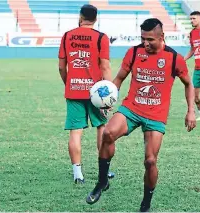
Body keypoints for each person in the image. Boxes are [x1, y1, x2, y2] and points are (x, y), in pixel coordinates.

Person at [86, 18, 196, 212]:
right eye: (143, 38)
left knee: (150, 160)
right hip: (132, 108)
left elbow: (188, 84)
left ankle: (146, 203)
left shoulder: (174, 58)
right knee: (108, 134)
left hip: (156, 115)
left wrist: (191, 111)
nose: (146, 43)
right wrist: (107, 99)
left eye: (150, 40)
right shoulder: (135, 52)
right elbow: (119, 78)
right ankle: (102, 181)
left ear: (162, 37)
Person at [58, 4, 114, 184]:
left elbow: (61, 66)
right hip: (97, 92)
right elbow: (105, 66)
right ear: (96, 19)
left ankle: (77, 174)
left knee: (76, 131)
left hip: (74, 90)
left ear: (80, 17)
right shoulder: (101, 38)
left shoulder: (67, 36)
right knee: (101, 128)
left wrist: (69, 83)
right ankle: (104, 170)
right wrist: (109, 93)